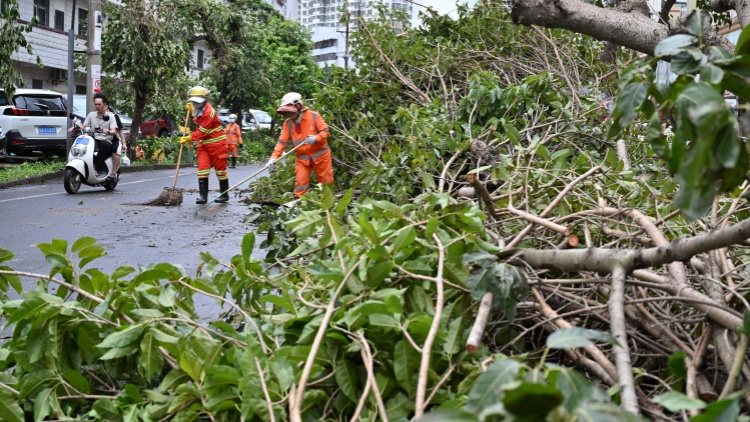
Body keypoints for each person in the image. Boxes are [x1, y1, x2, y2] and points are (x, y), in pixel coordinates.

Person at [267, 92, 333, 198]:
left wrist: (316, 138)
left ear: (298, 106)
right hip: (302, 159)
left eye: (290, 112)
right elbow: (282, 142)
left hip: (321, 156)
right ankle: (299, 204)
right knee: (300, 184)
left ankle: (328, 205)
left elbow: (325, 132)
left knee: (326, 183)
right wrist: (273, 158)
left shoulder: (314, 116)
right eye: (286, 112)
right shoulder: (288, 123)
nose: (288, 115)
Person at [180, 86, 230, 204]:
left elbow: (203, 132)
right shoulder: (199, 108)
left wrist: (188, 138)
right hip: (204, 145)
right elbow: (198, 120)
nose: (195, 104)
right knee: (202, 170)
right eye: (193, 102)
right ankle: (203, 197)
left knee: (220, 171)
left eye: (197, 103)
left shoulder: (209, 113)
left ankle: (224, 195)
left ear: (205, 100)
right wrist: (192, 111)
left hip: (217, 144)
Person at [69, 92, 117, 178]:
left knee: (104, 145)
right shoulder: (91, 115)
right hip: (93, 139)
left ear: (105, 105)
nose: (97, 106)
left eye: (99, 104)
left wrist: (108, 131)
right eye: (96, 104)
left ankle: (95, 166)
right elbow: (83, 126)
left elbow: (113, 131)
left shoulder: (111, 117)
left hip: (106, 140)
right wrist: (76, 128)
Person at [107, 103, 127, 178]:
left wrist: (124, 143)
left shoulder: (113, 116)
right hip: (101, 139)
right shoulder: (95, 116)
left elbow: (120, 131)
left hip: (114, 140)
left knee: (115, 150)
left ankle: (114, 172)